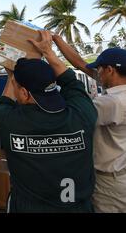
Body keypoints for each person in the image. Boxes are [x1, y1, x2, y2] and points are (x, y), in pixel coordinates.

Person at [0, 31, 97, 213]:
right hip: (78, 208)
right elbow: (71, 83)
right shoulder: (83, 114)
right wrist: (48, 52)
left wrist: (12, 72)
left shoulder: (9, 122)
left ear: (25, 93)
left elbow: (5, 101)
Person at [53, 35, 126, 213]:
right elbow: (80, 64)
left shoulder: (113, 102)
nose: (96, 74)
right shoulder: (118, 91)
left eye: (98, 70)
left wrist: (48, 53)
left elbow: (76, 114)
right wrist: (55, 39)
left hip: (109, 182)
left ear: (109, 70)